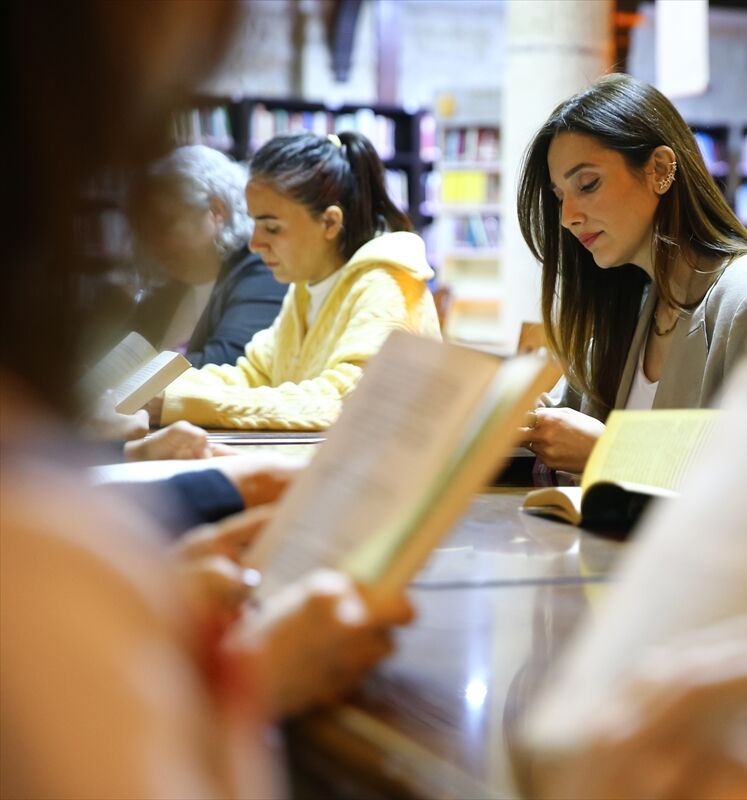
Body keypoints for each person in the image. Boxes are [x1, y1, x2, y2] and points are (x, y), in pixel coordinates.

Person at [0, 2, 410, 796]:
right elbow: (245, 373)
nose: (255, 244)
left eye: (269, 226)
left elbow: (317, 394)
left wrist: (172, 408)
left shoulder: (334, 282)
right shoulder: (43, 563)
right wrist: (245, 678)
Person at [516, 74, 747, 474]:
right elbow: (557, 422)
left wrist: (612, 451)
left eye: (588, 184)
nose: (569, 218)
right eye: (560, 198)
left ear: (659, 169)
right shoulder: (635, 304)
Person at [147, 131, 442, 430]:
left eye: (272, 228)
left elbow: (346, 402)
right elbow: (254, 373)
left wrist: (184, 403)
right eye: (255, 224)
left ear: (329, 222)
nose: (255, 244)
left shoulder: (385, 285)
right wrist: (155, 389)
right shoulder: (305, 286)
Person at [126, 144, 287, 367]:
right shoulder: (169, 289)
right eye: (145, 230)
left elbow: (223, 364)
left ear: (216, 211)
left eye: (166, 224)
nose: (153, 241)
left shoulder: (263, 272)